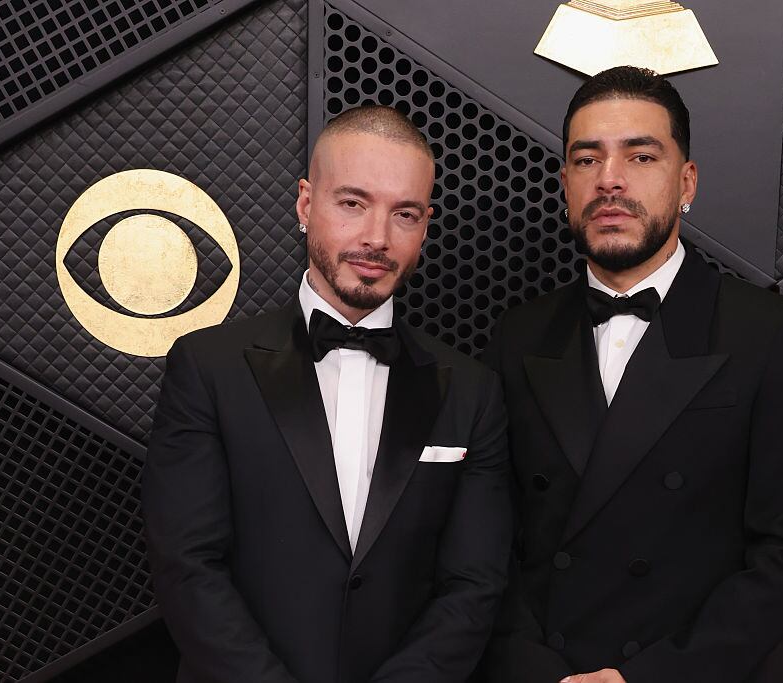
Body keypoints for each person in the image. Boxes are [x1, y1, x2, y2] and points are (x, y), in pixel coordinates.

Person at [481, 66, 783, 683]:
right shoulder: (518, 337)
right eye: (586, 160)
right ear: (565, 181)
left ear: (686, 180)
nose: (609, 180)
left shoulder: (769, 334)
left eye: (641, 156)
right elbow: (484, 538)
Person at [142, 105, 511, 683]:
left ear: (426, 225)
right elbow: (188, 567)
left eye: (405, 214)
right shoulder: (207, 367)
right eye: (352, 203)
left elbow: (473, 585)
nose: (376, 238)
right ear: (306, 204)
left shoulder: (473, 391)